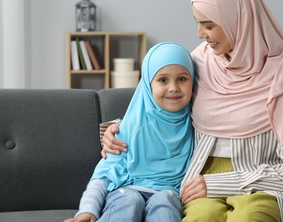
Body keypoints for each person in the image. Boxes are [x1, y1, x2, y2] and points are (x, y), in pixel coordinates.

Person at [101, 0, 283, 222]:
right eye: (197, 23)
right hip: (200, 180)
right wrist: (118, 129)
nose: (200, 33)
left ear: (239, 19)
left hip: (268, 186)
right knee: (200, 217)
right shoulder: (199, 62)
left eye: (209, 24)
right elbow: (164, 106)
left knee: (251, 216)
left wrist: (222, 183)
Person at [64, 42, 195, 222]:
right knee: (130, 200)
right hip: (126, 192)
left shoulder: (198, 125)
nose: (173, 87)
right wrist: (88, 210)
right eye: (163, 80)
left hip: (169, 193)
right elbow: (103, 175)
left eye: (182, 79)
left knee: (165, 201)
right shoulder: (129, 129)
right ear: (148, 84)